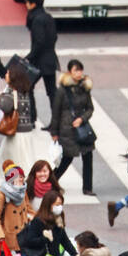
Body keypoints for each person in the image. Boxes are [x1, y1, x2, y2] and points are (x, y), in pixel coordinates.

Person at [50, 59, 95, 194]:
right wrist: (54, 132)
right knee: (67, 158)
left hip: (82, 128)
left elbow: (90, 108)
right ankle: (50, 182)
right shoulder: (62, 90)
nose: (79, 73)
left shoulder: (84, 88)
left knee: (88, 157)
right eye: (76, 70)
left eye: (80, 70)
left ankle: (87, 187)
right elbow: (56, 112)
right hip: (67, 129)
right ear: (70, 72)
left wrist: (82, 119)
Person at [25, 0, 58, 108]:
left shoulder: (36, 20)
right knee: (52, 91)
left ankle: (31, 117)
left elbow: (39, 42)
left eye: (27, 2)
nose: (26, 5)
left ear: (33, 4)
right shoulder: (48, 17)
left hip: (39, 61)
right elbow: (54, 37)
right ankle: (56, 120)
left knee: (27, 87)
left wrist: (29, 57)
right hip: (50, 59)